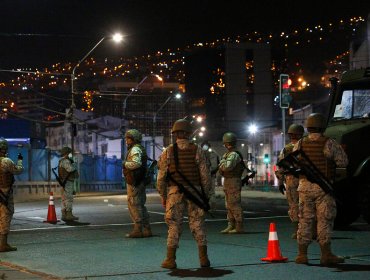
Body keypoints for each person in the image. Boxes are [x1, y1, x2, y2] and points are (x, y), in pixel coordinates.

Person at [156, 119, 213, 269]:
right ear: (188, 133)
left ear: (175, 134)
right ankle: (203, 259)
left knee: (174, 224)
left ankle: (170, 259)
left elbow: (161, 178)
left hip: (175, 192)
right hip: (195, 192)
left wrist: (163, 196)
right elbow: (205, 176)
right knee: (198, 224)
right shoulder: (198, 150)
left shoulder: (167, 151)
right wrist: (205, 196)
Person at [293, 113, 348, 266]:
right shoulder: (329, 143)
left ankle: (302, 255)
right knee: (324, 219)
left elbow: (295, 163)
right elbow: (343, 161)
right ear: (323, 126)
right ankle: (326, 255)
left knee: (304, 219)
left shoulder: (300, 143)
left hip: (304, 187)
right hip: (322, 188)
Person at [275, 124, 304, 239]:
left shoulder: (286, 149)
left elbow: (281, 167)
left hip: (291, 179)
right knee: (308, 204)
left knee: (293, 205)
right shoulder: (307, 145)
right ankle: (311, 230)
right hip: (306, 178)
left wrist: (280, 182)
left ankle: (297, 230)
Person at [123, 129, 152, 238]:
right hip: (139, 180)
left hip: (135, 181)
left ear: (134, 139)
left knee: (134, 204)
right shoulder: (138, 148)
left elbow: (136, 163)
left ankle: (138, 229)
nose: (126, 140)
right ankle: (146, 229)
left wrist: (125, 164)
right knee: (140, 205)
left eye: (128, 138)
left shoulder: (135, 149)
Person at [218, 132, 245, 234]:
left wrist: (221, 163)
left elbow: (227, 167)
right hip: (228, 180)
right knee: (228, 204)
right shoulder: (227, 154)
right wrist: (222, 165)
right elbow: (222, 170)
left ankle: (239, 226)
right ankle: (231, 224)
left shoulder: (234, 154)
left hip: (234, 180)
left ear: (227, 143)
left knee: (234, 204)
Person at [0, 138, 24, 252]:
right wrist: (20, 161)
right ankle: (3, 244)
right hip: (4, 193)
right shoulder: (6, 161)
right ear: (4, 149)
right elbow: (18, 170)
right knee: (6, 215)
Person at [58, 146, 79, 222]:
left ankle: (64, 215)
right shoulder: (66, 161)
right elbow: (70, 169)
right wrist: (74, 163)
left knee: (64, 198)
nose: (71, 154)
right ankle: (69, 215)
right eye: (70, 153)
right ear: (67, 153)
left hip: (64, 182)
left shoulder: (62, 161)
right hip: (67, 182)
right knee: (69, 198)